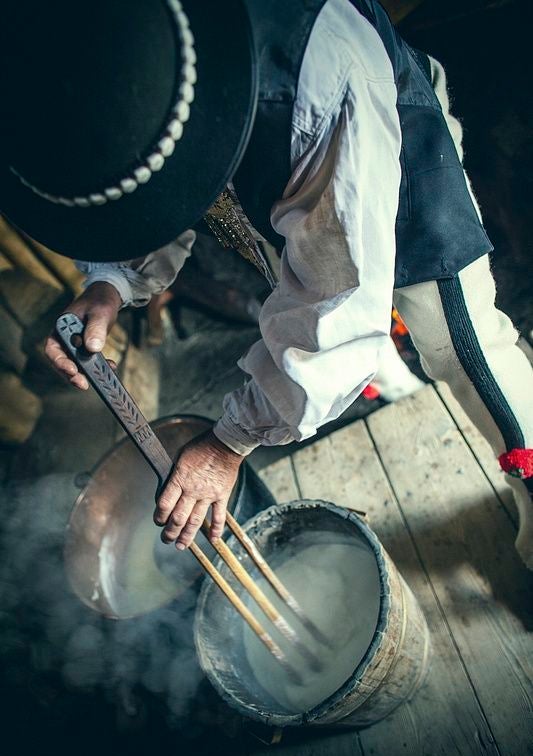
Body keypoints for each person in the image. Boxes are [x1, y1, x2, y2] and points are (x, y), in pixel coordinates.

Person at [1, 0, 532, 566]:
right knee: (338, 310)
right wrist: (110, 283)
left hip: (390, 142)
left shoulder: (313, 76)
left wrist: (228, 444)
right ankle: (388, 373)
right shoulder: (134, 71)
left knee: (463, 345)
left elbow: (337, 303)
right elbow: (161, 185)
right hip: (298, 170)